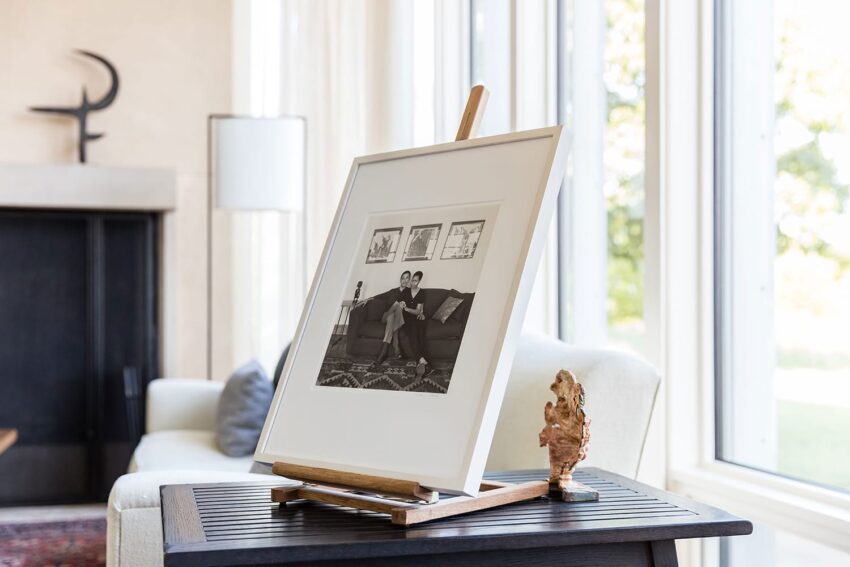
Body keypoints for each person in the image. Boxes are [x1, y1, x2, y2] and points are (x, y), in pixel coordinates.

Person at [363, 271, 410, 365]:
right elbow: (379, 296)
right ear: (400, 280)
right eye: (403, 278)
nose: (404, 280)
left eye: (407, 278)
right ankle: (396, 347)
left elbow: (412, 306)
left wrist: (405, 306)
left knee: (394, 315)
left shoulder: (409, 292)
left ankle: (383, 353)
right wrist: (369, 298)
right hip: (386, 316)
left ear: (409, 280)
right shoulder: (392, 291)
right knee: (396, 307)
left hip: (397, 318)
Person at [399, 270, 429, 377]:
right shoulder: (406, 291)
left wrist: (409, 309)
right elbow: (400, 303)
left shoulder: (422, 293)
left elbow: (417, 311)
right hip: (406, 318)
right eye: (412, 280)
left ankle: (421, 361)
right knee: (412, 332)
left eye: (415, 281)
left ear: (419, 281)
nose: (412, 283)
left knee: (421, 333)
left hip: (416, 316)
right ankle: (421, 360)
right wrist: (402, 305)